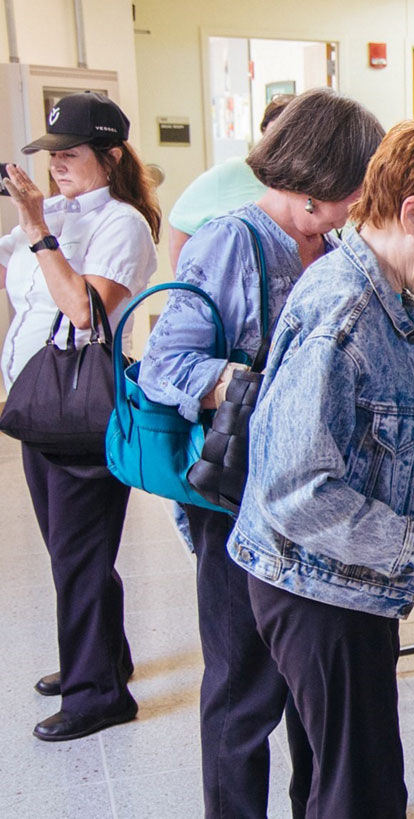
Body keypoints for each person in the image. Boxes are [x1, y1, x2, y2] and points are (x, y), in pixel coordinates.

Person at [230, 116, 414, 817]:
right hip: (319, 589)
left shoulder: (384, 292)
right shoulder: (345, 311)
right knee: (364, 792)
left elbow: (354, 429)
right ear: (413, 214)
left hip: (338, 579)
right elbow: (297, 491)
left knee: (340, 778)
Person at [139, 87, 384, 817]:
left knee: (313, 699)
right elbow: (164, 362)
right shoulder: (231, 241)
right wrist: (258, 383)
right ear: (321, 177)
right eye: (356, 182)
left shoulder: (337, 246)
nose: (360, 200)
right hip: (238, 502)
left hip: (314, 503)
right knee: (243, 694)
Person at [1, 92, 159, 740]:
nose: (56, 162)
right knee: (72, 549)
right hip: (40, 405)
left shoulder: (122, 224)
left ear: (110, 154)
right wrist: (32, 219)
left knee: (79, 552)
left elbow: (85, 312)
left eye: (70, 152)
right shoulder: (56, 213)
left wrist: (39, 230)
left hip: (85, 410)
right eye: (50, 152)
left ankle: (99, 694)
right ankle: (105, 657)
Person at [167, 93, 294, 262]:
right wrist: (190, 283)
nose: (282, 145)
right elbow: (180, 222)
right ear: (264, 133)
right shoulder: (232, 172)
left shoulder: (312, 181)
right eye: (276, 135)